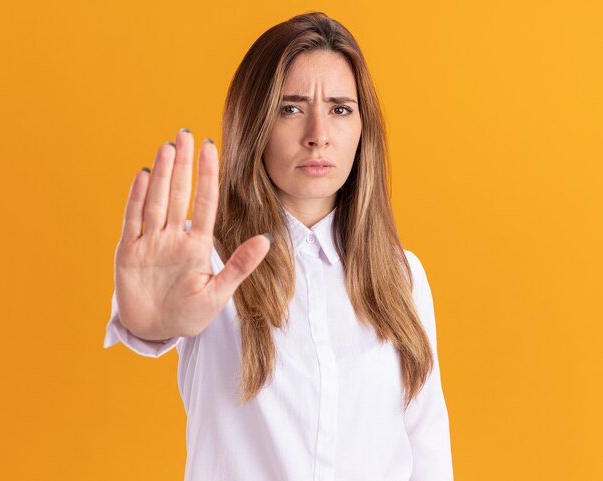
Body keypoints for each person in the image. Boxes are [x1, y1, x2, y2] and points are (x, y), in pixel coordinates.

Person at [103, 11, 453, 481]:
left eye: (340, 108)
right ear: (256, 125)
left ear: (362, 129)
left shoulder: (403, 276)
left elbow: (427, 451)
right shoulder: (208, 264)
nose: (318, 135)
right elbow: (156, 318)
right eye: (290, 108)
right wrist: (148, 325)